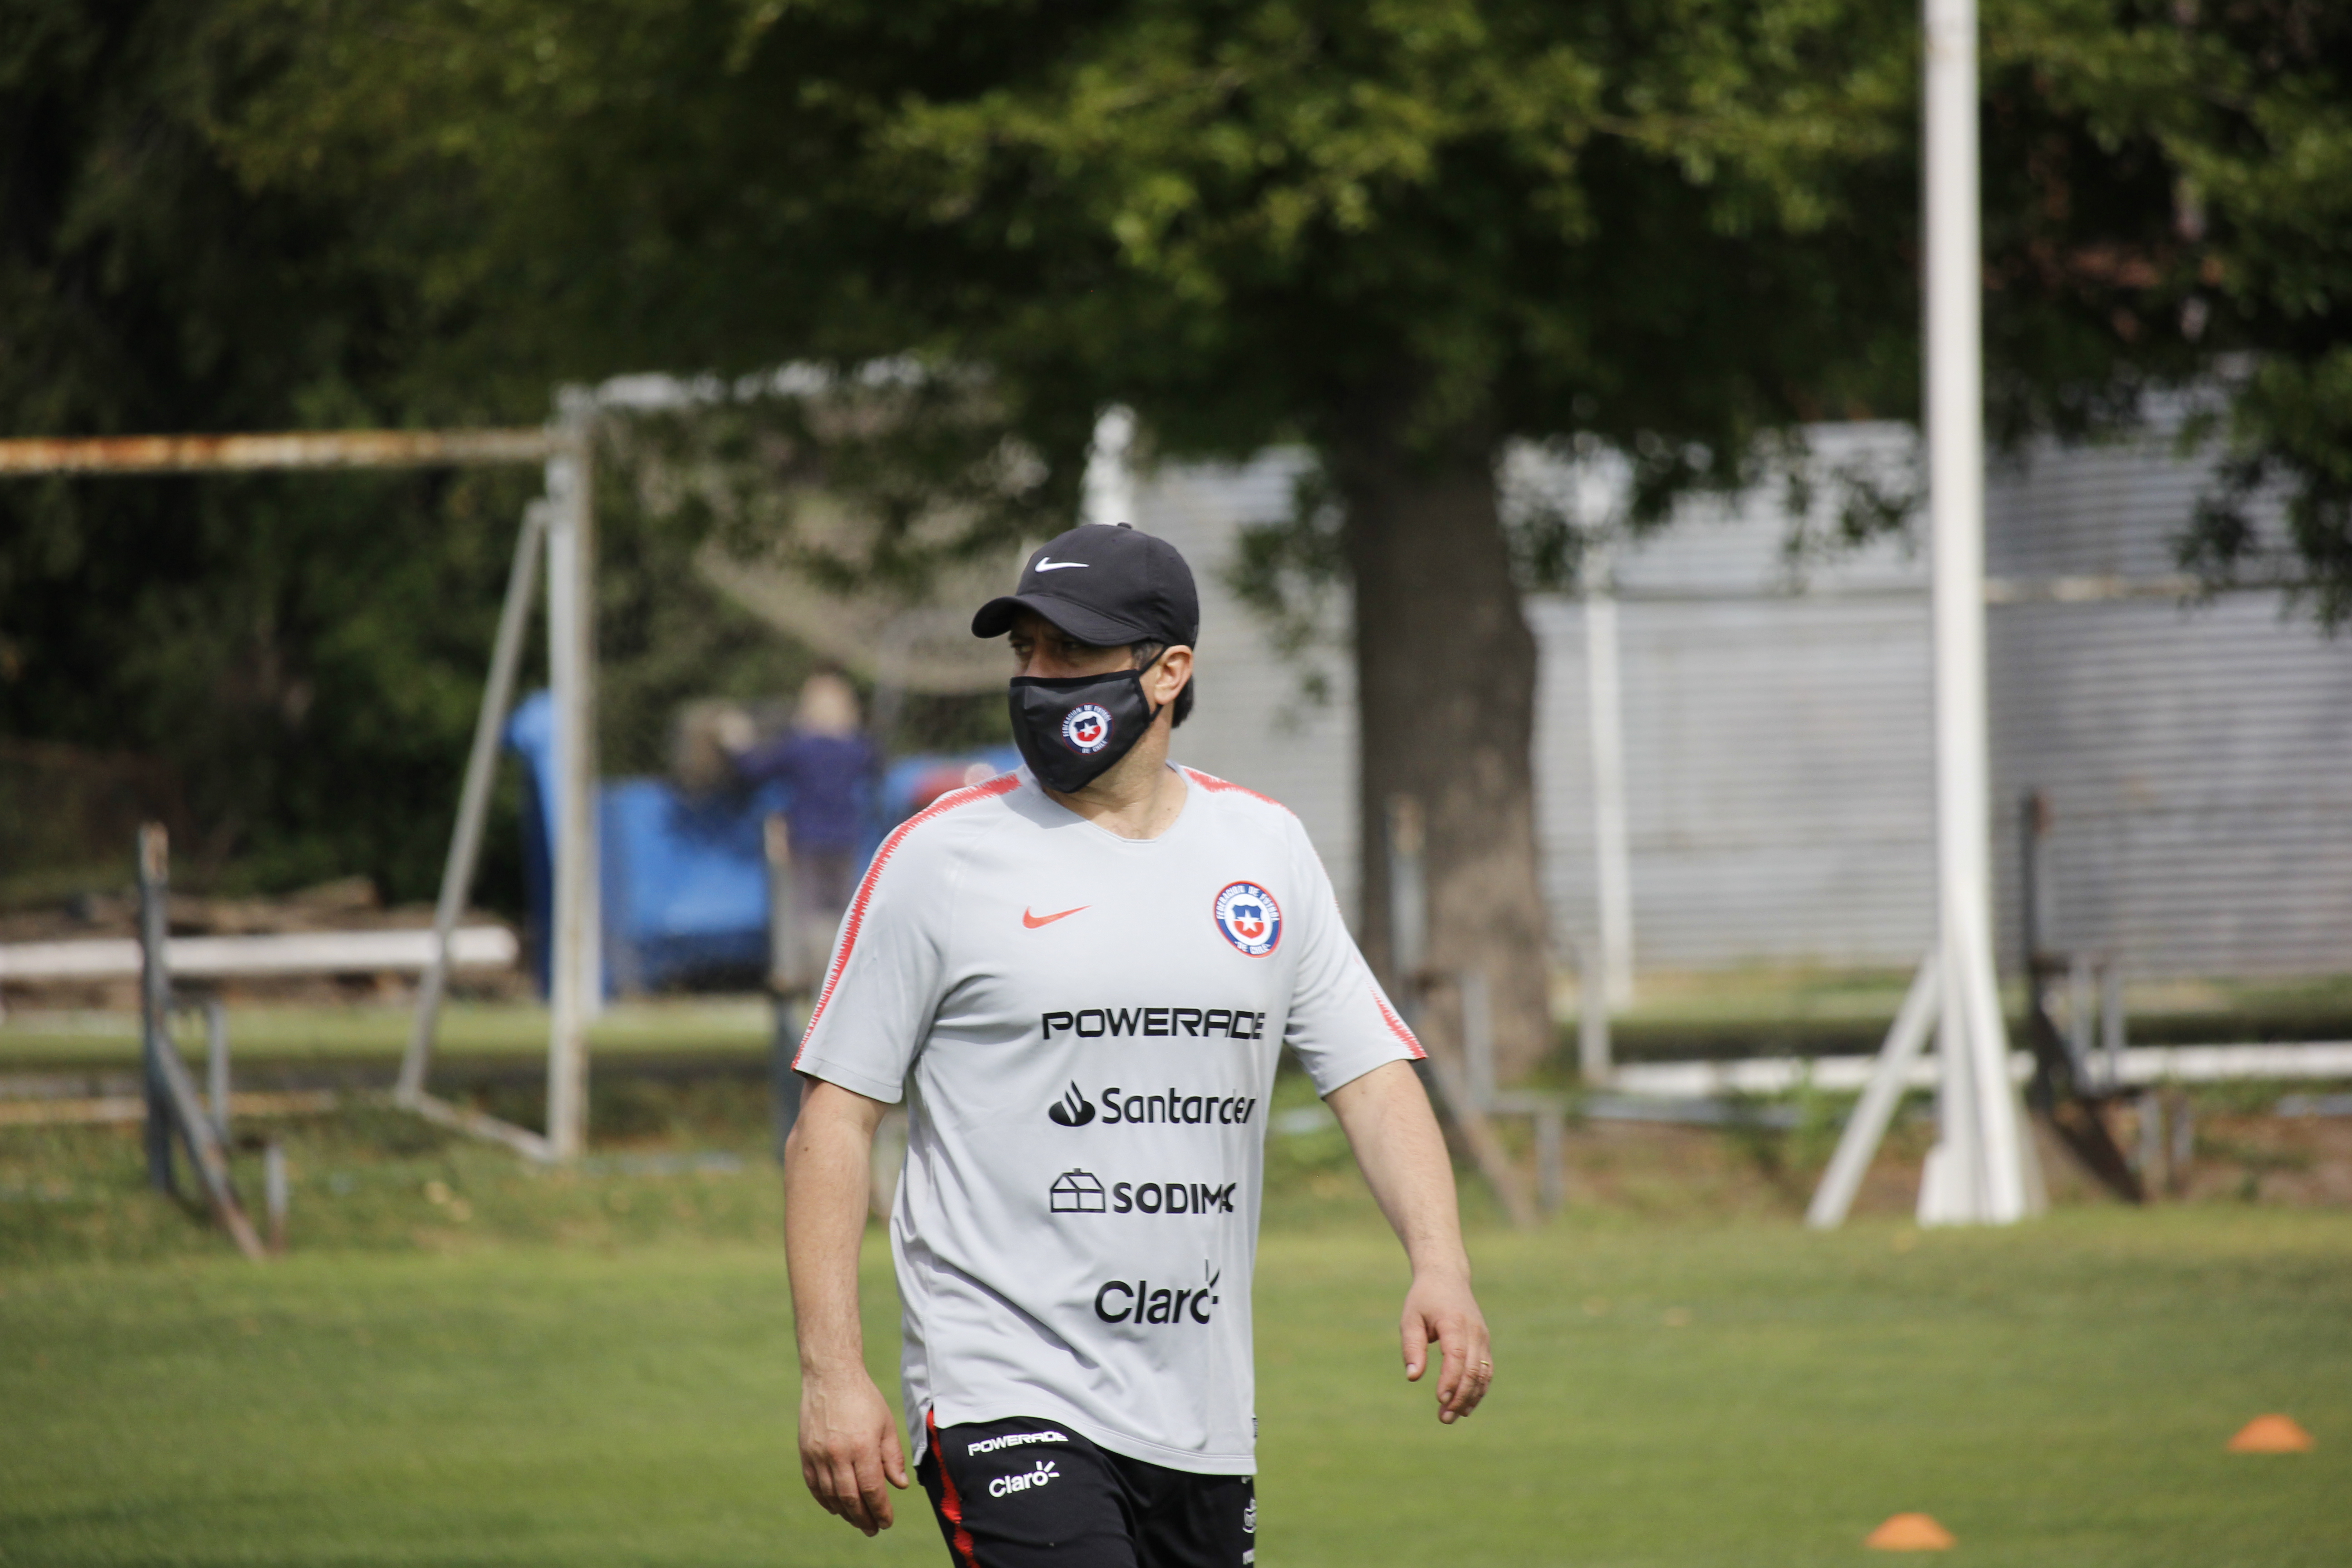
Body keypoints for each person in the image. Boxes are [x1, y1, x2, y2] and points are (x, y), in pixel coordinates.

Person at [784, 521, 1492, 1568]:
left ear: (1167, 673)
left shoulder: (1263, 849)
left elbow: (1371, 1074)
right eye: (1024, 653)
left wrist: (1441, 1262)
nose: (1037, 679)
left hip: (1198, 1411)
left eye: (1068, 653)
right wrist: (831, 1372)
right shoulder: (938, 859)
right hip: (1000, 1386)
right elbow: (831, 1123)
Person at [734, 669, 880, 966]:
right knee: (847, 909)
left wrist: (738, 744)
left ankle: (810, 972)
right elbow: (878, 765)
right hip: (846, 836)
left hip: (806, 838)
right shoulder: (856, 748)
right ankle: (847, 966)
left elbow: (754, 770)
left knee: (807, 911)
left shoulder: (798, 747)